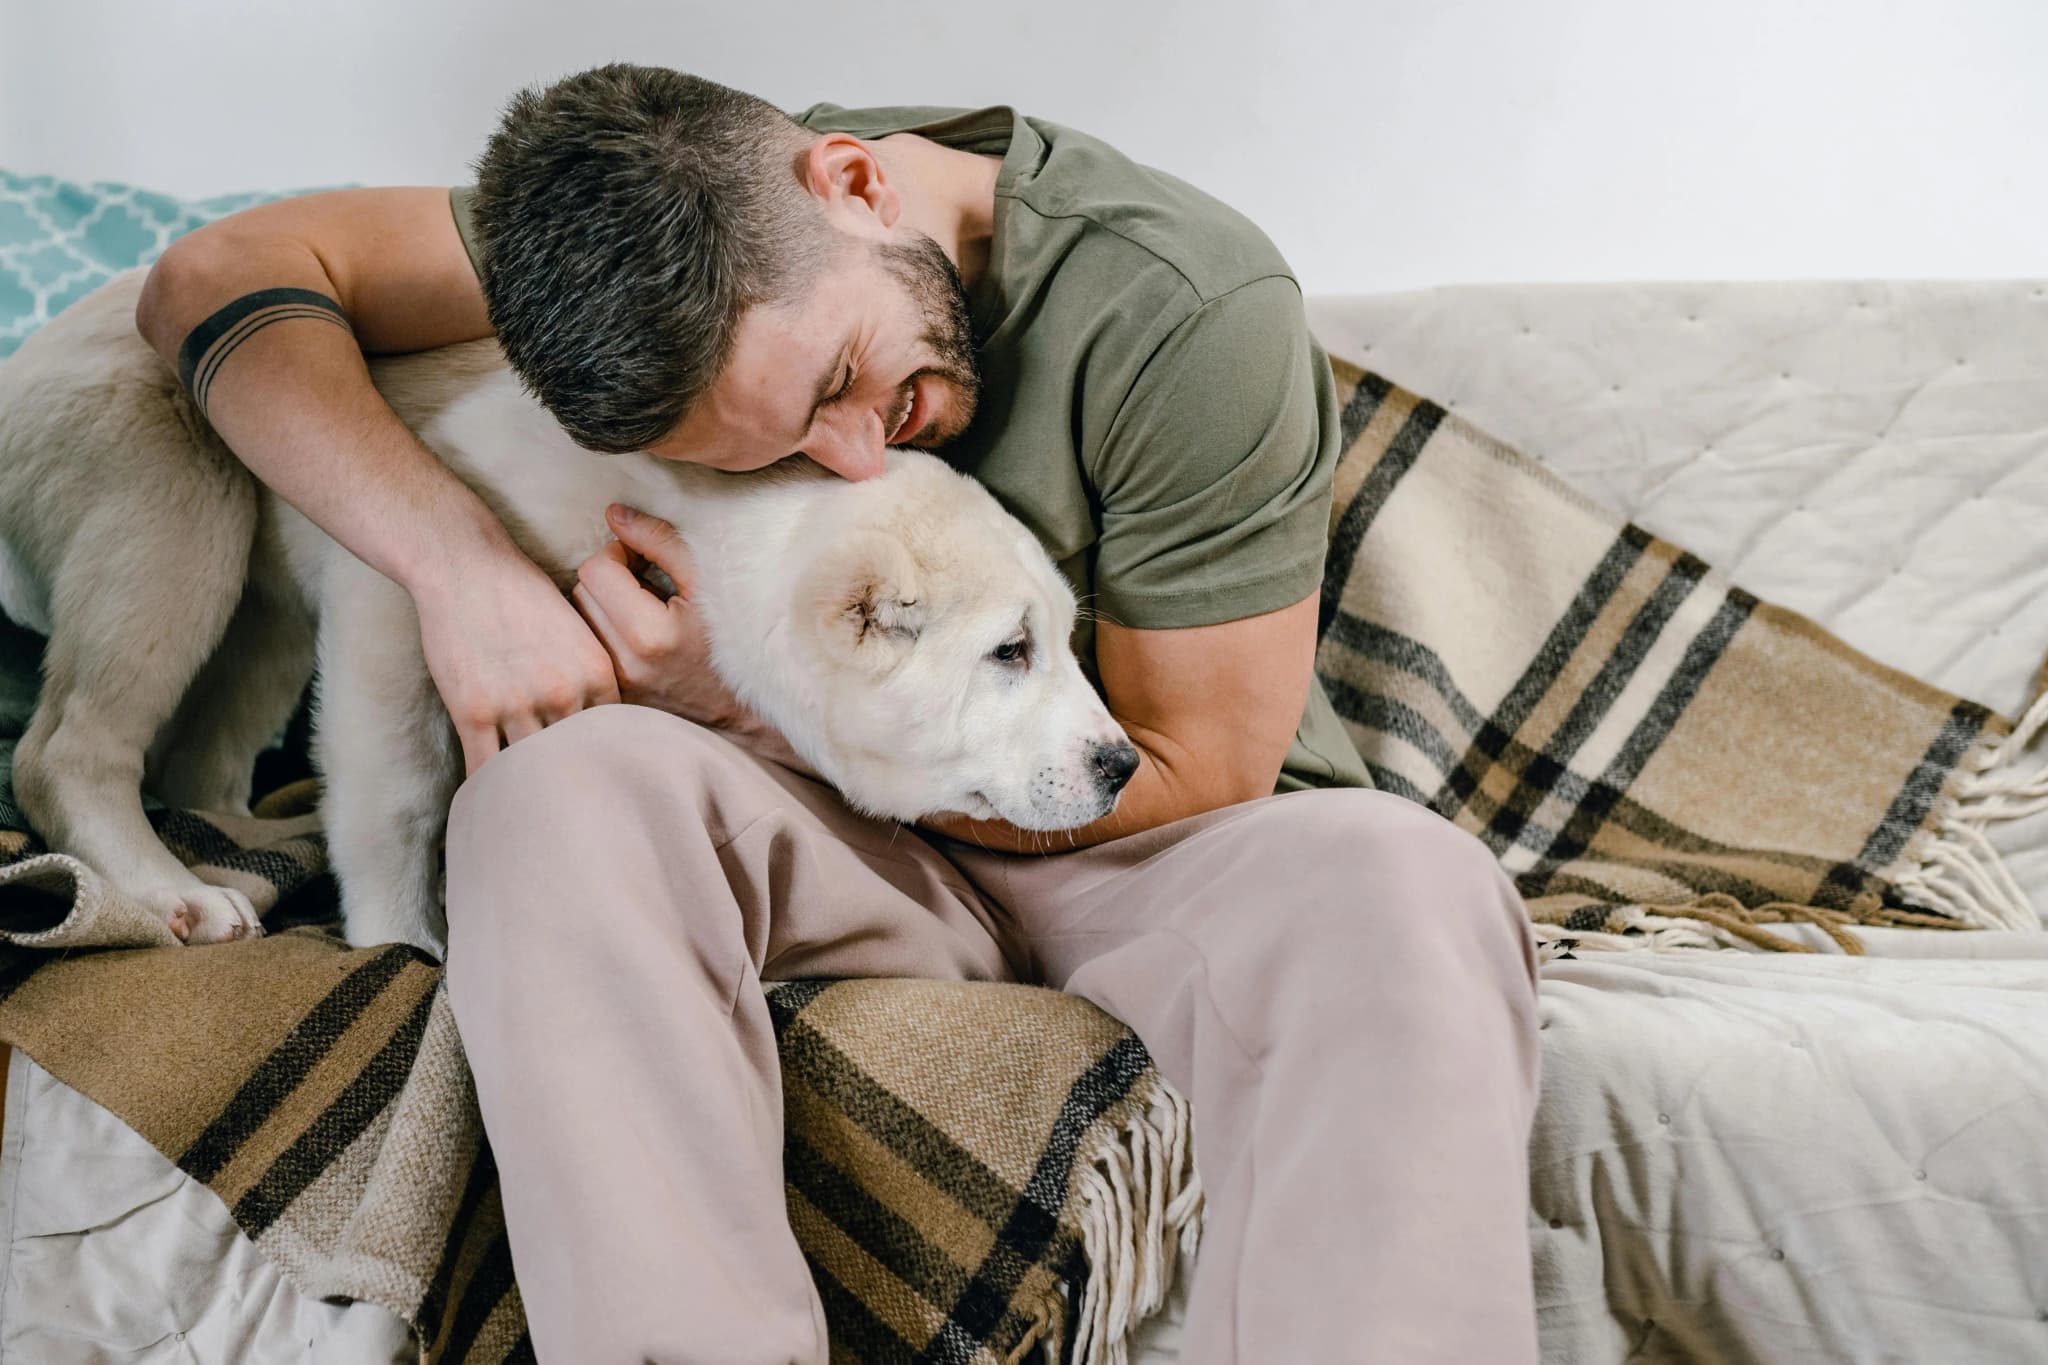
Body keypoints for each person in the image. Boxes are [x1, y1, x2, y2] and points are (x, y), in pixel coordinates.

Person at [135, 64, 1541, 1364]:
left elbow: (1199, 766)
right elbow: (218, 277)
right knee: (552, 795)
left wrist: (741, 708)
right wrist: (458, 567)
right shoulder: (638, 250)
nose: (864, 449)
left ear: (857, 185)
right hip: (826, 844)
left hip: (1136, 843)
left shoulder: (1175, 299)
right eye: (794, 446)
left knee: (1404, 875)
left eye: (840, 382)